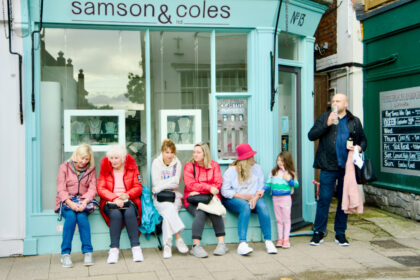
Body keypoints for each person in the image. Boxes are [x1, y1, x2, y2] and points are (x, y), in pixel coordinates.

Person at [308, 93, 367, 246]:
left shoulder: (354, 121)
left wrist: (359, 147)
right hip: (327, 166)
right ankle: (318, 232)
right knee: (324, 200)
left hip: (346, 168)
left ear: (346, 103)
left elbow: (363, 140)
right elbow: (311, 135)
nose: (335, 103)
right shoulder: (324, 117)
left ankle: (340, 233)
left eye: (338, 100)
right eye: (333, 100)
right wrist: (326, 124)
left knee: (344, 200)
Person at [221, 143, 278, 255]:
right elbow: (224, 191)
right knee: (244, 206)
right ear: (244, 160)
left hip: (253, 198)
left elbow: (260, 187)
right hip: (233, 199)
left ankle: (268, 241)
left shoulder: (257, 168)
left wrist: (255, 198)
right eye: (250, 157)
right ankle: (242, 244)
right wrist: (243, 197)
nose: (253, 158)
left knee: (262, 205)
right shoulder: (231, 171)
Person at [97, 145, 143, 264]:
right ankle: (114, 249)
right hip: (110, 201)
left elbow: (138, 187)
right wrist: (114, 198)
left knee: (129, 212)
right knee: (116, 214)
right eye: (111, 158)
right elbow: (100, 188)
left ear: (123, 158)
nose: (113, 161)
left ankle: (136, 248)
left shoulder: (132, 168)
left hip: (128, 199)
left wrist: (127, 195)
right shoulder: (105, 169)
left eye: (116, 158)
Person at [55, 143, 97, 267]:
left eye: (86, 159)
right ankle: (65, 254)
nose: (83, 161)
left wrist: (85, 202)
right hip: (66, 200)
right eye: (81, 158)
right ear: (76, 155)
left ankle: (88, 252)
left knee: (82, 218)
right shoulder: (64, 167)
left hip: (83, 201)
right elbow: (61, 189)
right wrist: (70, 203)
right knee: (72, 217)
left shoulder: (91, 169)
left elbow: (92, 189)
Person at [183, 142, 227, 258]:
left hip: (210, 199)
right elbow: (189, 185)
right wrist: (208, 188)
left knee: (215, 211)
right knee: (200, 212)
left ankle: (222, 244)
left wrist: (201, 189)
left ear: (205, 153)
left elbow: (218, 184)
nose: (195, 155)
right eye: (194, 152)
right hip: (193, 199)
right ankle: (195, 246)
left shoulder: (214, 165)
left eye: (198, 152)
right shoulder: (189, 166)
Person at [151, 139, 189, 259]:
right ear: (162, 152)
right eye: (167, 152)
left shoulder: (177, 163)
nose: (169, 155)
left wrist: (159, 187)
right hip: (160, 198)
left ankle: (167, 246)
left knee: (168, 212)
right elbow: (155, 182)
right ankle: (178, 237)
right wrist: (169, 182)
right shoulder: (156, 163)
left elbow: (176, 184)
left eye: (171, 152)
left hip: (174, 197)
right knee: (169, 209)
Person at [264, 151, 299, 249]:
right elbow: (268, 183)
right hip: (275, 198)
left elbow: (296, 185)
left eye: (282, 161)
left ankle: (286, 239)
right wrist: (263, 189)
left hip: (286, 199)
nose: (279, 162)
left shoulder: (291, 173)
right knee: (278, 219)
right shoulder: (273, 172)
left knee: (286, 219)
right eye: (278, 160)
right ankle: (279, 239)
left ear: (287, 161)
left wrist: (289, 180)